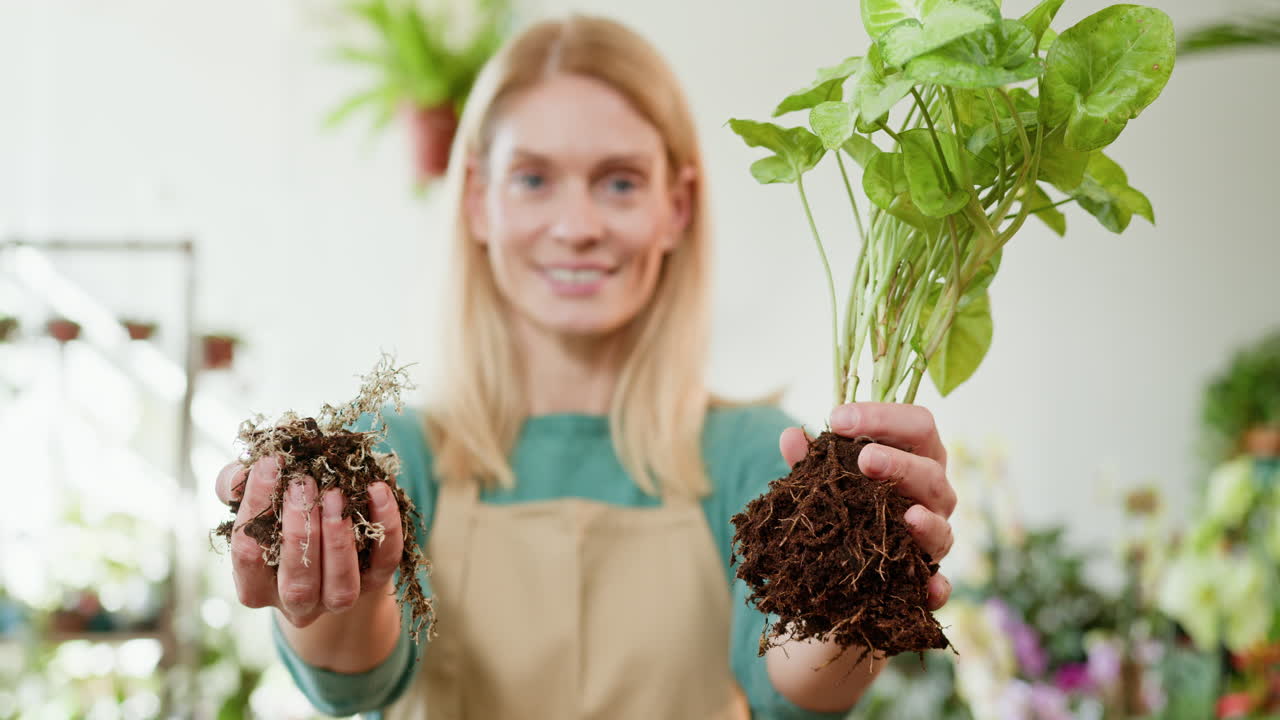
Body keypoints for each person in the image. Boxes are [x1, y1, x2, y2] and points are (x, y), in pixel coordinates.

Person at [214, 14, 956, 720]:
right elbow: (352, 678)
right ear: (477, 201)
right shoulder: (398, 457)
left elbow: (795, 693)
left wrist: (872, 563)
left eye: (620, 182)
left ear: (676, 207)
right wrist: (315, 575)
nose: (576, 228)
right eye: (533, 179)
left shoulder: (758, 457)